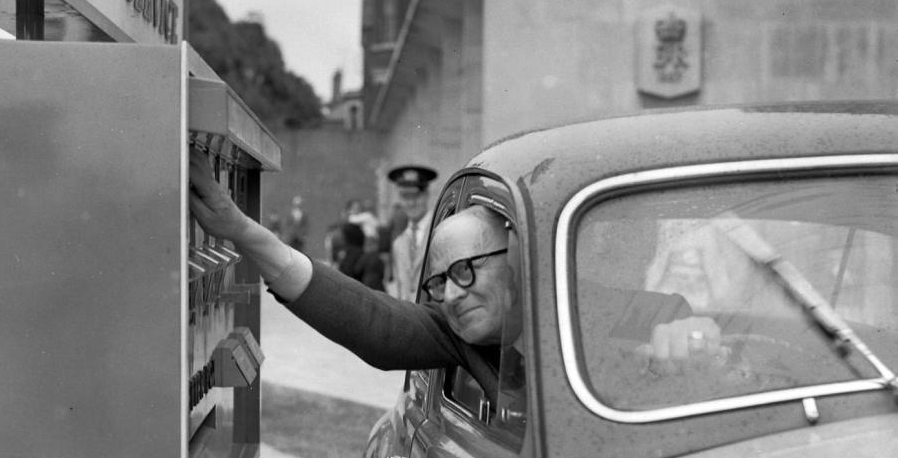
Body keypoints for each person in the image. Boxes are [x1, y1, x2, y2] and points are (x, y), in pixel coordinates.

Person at [188, 151, 721, 395]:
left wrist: (696, 342)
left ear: (516, 257)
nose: (450, 296)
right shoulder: (458, 333)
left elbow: (706, 346)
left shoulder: (637, 312)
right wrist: (239, 230)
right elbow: (371, 319)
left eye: (464, 270)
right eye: (438, 282)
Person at [387, 165, 438, 301]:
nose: (410, 203)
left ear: (427, 194)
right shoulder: (398, 243)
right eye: (405, 196)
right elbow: (399, 291)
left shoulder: (440, 232)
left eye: (416, 196)